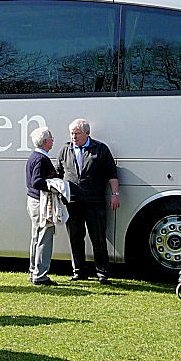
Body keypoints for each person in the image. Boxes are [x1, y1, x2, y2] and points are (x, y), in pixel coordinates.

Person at [54, 118, 119, 283]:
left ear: (87, 133)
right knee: (75, 238)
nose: (73, 136)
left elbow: (112, 173)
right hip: (72, 203)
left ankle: (102, 273)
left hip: (95, 202)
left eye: (77, 133)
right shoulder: (65, 150)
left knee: (98, 237)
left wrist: (115, 194)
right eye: (72, 133)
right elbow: (57, 173)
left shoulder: (100, 149)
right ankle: (79, 272)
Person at [25, 127, 58, 286]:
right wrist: (54, 184)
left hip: (33, 200)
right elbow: (37, 182)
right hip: (41, 202)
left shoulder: (34, 156)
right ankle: (40, 274)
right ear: (45, 141)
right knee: (44, 236)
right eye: (51, 138)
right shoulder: (41, 159)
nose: (53, 140)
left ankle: (34, 271)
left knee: (36, 236)